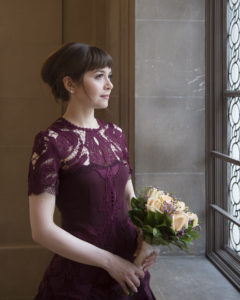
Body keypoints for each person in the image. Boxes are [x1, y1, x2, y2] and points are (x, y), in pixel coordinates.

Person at [28, 42, 157, 299]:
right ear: (70, 84)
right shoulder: (51, 141)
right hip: (80, 280)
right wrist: (111, 262)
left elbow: (129, 199)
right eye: (99, 76)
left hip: (129, 274)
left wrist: (149, 239)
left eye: (110, 76)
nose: (109, 84)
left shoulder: (116, 134)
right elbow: (41, 230)